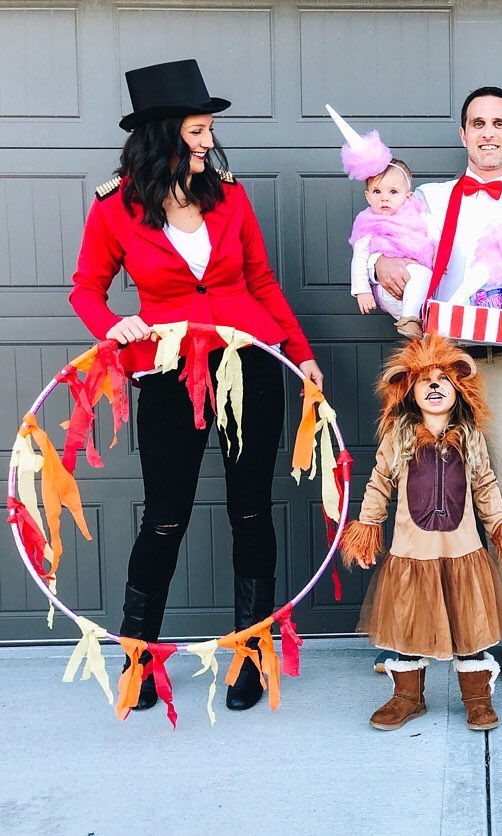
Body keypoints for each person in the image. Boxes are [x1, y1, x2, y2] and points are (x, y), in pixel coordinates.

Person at [68, 59, 323, 713]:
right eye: (199, 130)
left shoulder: (230, 196)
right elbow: (86, 290)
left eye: (209, 130)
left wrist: (301, 353)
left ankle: (249, 656)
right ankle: (138, 659)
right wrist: (111, 326)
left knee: (250, 510)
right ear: (163, 136)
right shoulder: (115, 209)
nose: (210, 141)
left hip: (249, 363)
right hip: (170, 371)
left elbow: (262, 282)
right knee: (165, 517)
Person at [372, 87, 502, 678]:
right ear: (462, 134)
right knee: (422, 497)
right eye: (477, 123)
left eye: (499, 123)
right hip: (432, 359)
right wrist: (377, 267)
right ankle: (417, 631)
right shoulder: (429, 201)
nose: (488, 133)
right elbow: (379, 243)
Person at [340, 336, 502, 731]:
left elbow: (486, 487)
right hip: (412, 555)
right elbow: (379, 484)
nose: (433, 386)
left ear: (459, 388)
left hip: (463, 554)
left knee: (471, 629)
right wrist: (368, 528)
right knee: (409, 628)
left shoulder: (471, 437)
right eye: (424, 380)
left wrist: (501, 525)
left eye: (443, 379)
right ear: (409, 390)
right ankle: (407, 697)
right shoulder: (399, 438)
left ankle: (477, 698)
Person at [349, 158, 435, 337]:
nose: (384, 198)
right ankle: (409, 319)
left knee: (424, 276)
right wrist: (362, 291)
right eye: (377, 191)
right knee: (421, 275)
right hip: (388, 288)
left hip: (415, 287)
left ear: (408, 196)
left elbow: (433, 239)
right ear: (367, 196)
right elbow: (359, 257)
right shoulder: (369, 222)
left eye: (393, 192)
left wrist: (438, 258)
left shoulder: (417, 217)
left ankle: (415, 325)